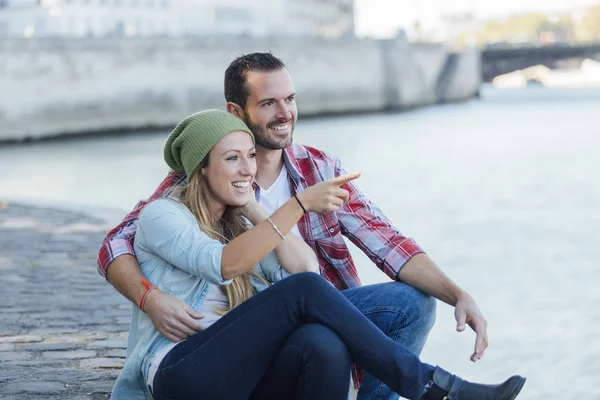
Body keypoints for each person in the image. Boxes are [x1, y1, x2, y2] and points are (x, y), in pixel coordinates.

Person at [99, 53, 489, 400]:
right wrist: (149, 297)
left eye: (290, 99)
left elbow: (384, 244)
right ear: (236, 112)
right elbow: (116, 245)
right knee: (303, 300)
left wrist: (458, 295)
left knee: (409, 305)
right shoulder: (195, 181)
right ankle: (426, 384)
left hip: (299, 328)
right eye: (269, 103)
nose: (284, 112)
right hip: (212, 350)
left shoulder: (318, 170)